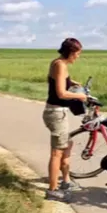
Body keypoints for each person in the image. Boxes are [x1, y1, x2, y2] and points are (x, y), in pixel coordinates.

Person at [42, 37, 87, 201]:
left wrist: (72, 82)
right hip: (56, 113)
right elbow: (61, 93)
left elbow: (57, 81)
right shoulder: (60, 65)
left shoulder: (58, 63)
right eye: (77, 53)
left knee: (67, 145)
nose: (78, 56)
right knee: (57, 153)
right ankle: (52, 190)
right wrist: (80, 96)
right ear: (71, 52)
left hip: (57, 112)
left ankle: (66, 181)